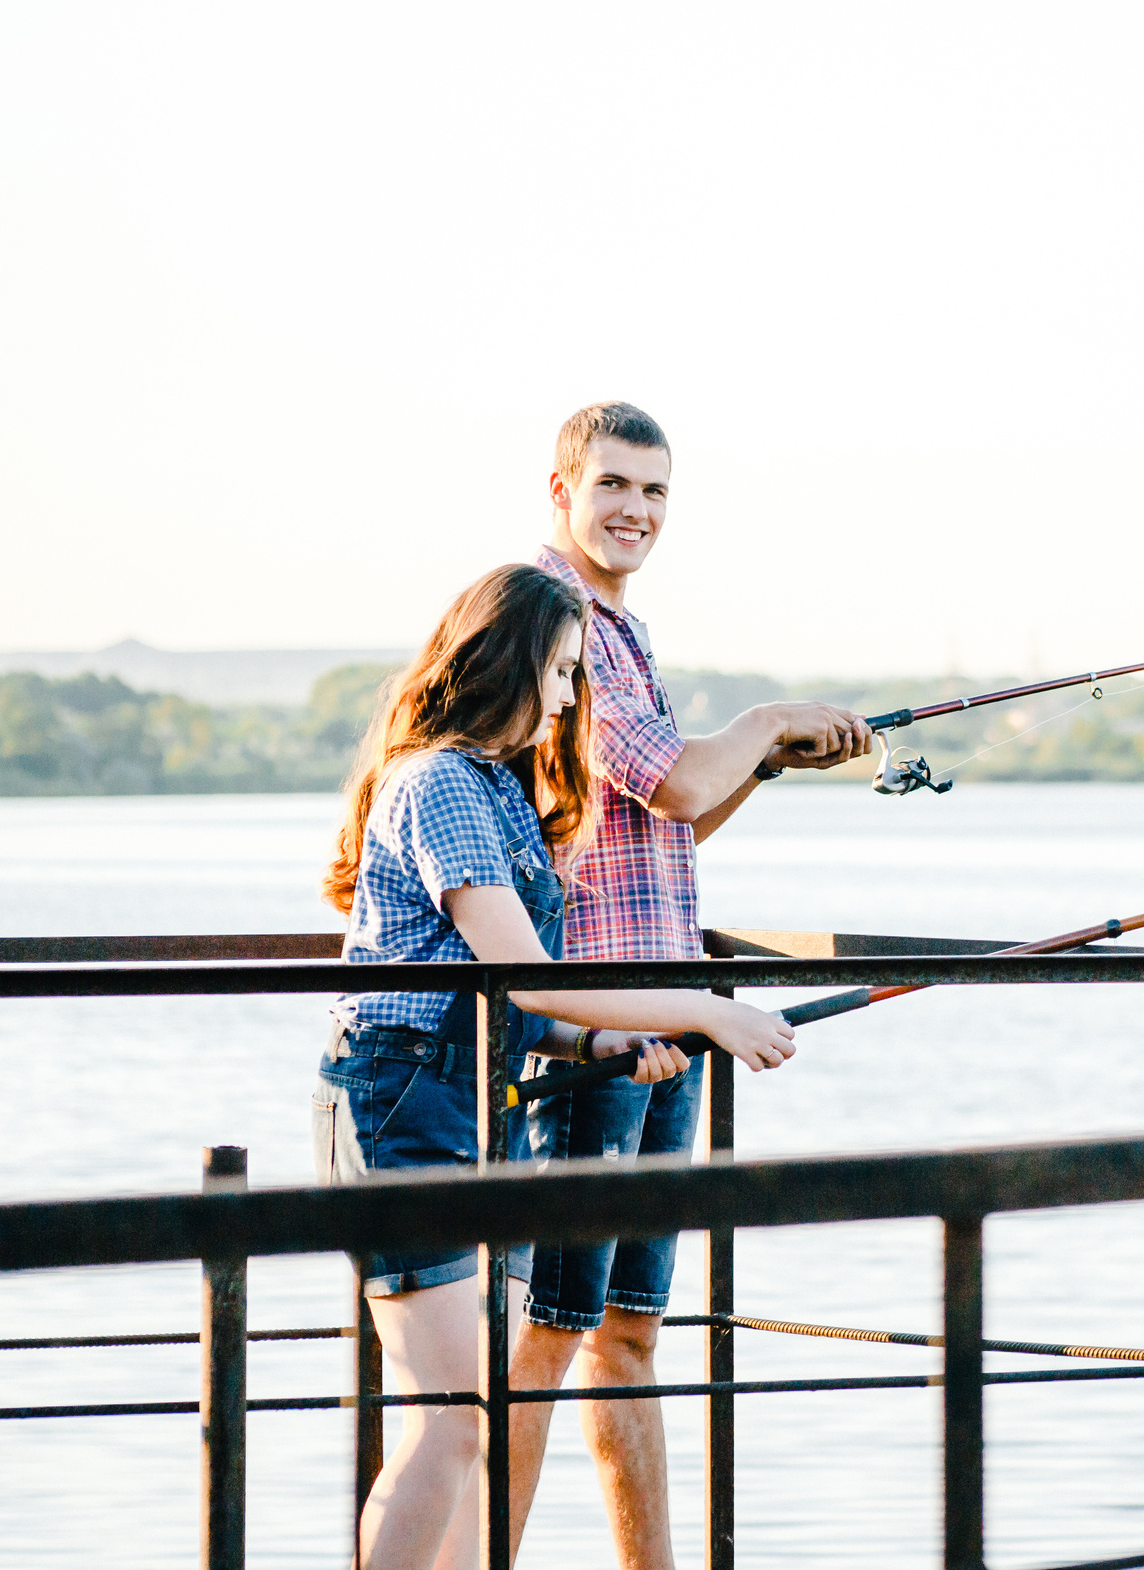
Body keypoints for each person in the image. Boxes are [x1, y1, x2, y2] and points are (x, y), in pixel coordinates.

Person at [314, 562, 803, 1570]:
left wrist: (598, 1043)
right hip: (401, 1099)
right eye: (562, 672)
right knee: (452, 1419)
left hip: (466, 1094)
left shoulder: (498, 786)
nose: (573, 697)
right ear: (507, 665)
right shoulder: (440, 782)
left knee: (472, 1412)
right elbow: (530, 973)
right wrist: (707, 1008)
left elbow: (512, 998)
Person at [506, 403, 873, 1568]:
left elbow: (673, 821)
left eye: (656, 491)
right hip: (599, 1025)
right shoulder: (551, 617)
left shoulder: (625, 629)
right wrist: (763, 721)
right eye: (613, 484)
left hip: (672, 1007)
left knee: (628, 1337)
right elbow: (670, 782)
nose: (636, 510)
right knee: (544, 1340)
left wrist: (762, 763)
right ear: (560, 490)